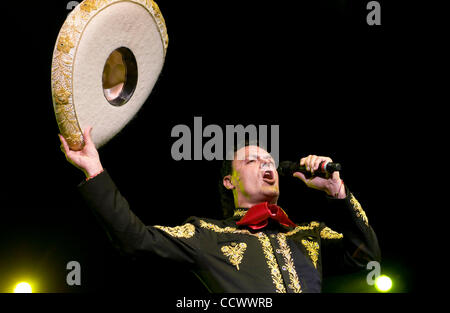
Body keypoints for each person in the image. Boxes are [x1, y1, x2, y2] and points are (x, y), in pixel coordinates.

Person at [59, 126, 381, 293]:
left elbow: (366, 258)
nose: (265, 164)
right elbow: (135, 239)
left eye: (269, 160)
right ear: (230, 182)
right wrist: (95, 171)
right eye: (253, 160)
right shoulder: (209, 235)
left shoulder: (307, 235)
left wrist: (338, 193)